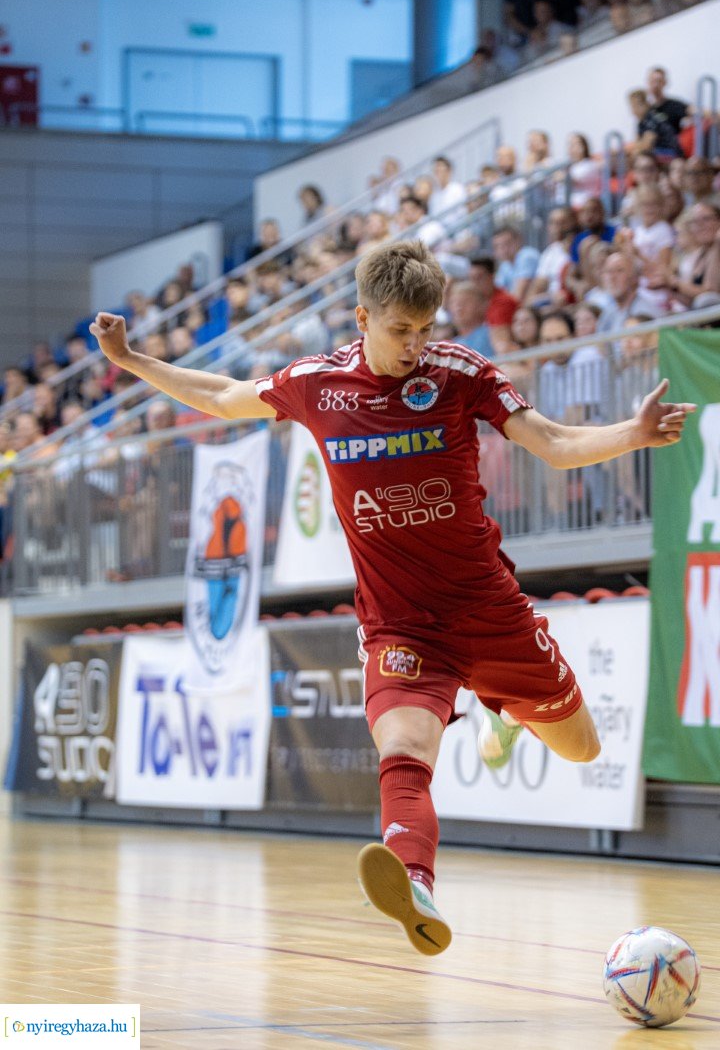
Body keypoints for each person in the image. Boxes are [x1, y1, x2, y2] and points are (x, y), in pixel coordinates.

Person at [90, 240, 694, 957]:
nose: (415, 344)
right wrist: (132, 362)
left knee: (583, 746)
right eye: (400, 329)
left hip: (491, 611)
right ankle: (415, 883)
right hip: (401, 624)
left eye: (426, 328)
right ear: (363, 318)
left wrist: (631, 433)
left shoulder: (460, 375)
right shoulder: (318, 384)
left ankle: (503, 716)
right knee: (405, 749)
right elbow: (223, 397)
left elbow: (554, 441)